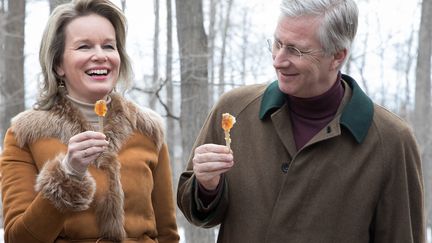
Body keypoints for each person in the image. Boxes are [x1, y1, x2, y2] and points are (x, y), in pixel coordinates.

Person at [177, 0, 426, 242]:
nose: (278, 60)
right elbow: (197, 212)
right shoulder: (234, 112)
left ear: (337, 56)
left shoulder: (391, 140)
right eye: (277, 43)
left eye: (296, 50)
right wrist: (207, 186)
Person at [0, 0, 179, 242]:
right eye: (84, 47)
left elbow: (167, 234)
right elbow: (17, 238)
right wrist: (68, 174)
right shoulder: (24, 136)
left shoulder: (148, 130)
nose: (100, 56)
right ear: (58, 64)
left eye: (108, 46)